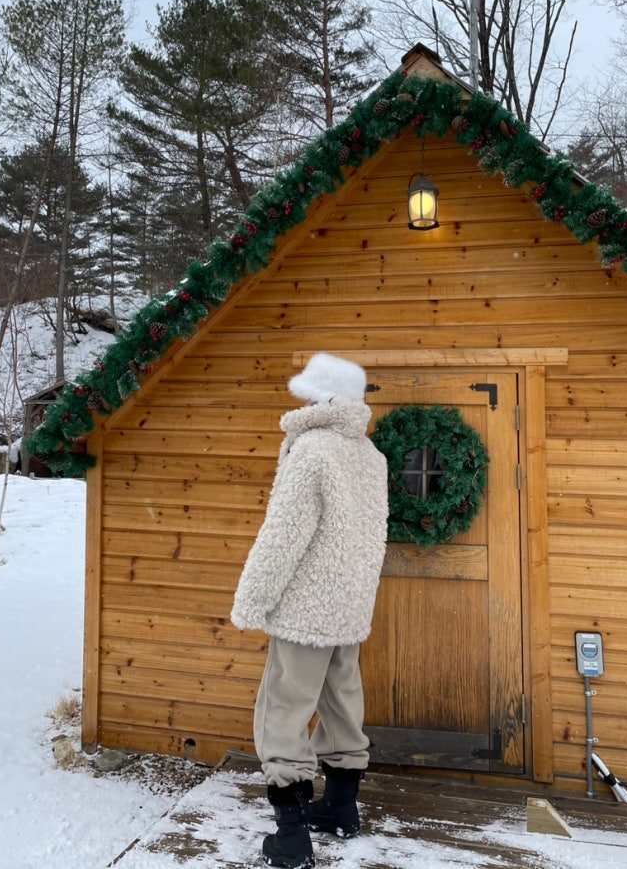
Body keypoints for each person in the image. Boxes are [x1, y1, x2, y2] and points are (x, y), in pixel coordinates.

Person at [231, 353, 389, 869]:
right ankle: (342, 810)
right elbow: (372, 537)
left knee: (284, 705)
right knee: (342, 697)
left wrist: (253, 598)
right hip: (349, 600)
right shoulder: (370, 455)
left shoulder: (312, 450)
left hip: (306, 603)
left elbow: (285, 532)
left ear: (322, 399)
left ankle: (292, 836)